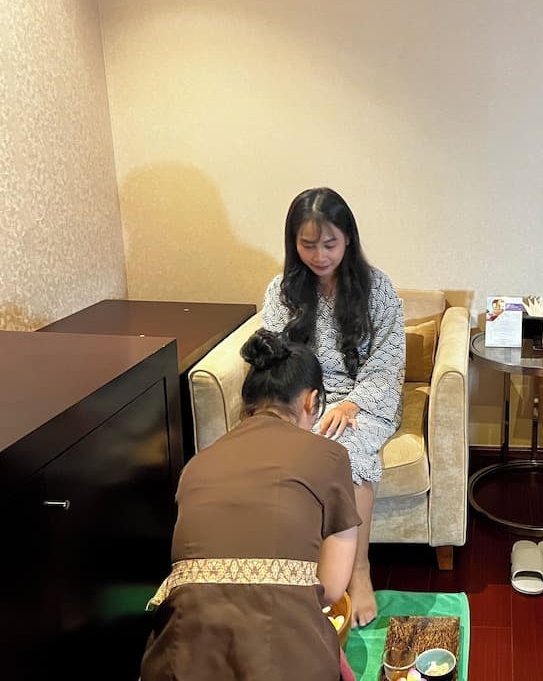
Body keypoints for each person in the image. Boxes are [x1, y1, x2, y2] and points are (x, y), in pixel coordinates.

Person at [141, 329, 361, 681]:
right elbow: (332, 589)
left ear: (247, 403)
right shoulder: (330, 456)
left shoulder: (196, 465)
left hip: (176, 665)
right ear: (311, 401)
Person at [262, 187, 405, 627]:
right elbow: (277, 359)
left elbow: (387, 364)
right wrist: (298, 406)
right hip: (302, 399)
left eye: (330, 244)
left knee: (349, 454)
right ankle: (292, 571)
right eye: (308, 245)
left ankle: (358, 571)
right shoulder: (282, 291)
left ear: (348, 239)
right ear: (294, 243)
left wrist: (352, 404)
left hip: (365, 399)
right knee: (274, 451)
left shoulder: (377, 289)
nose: (320, 256)